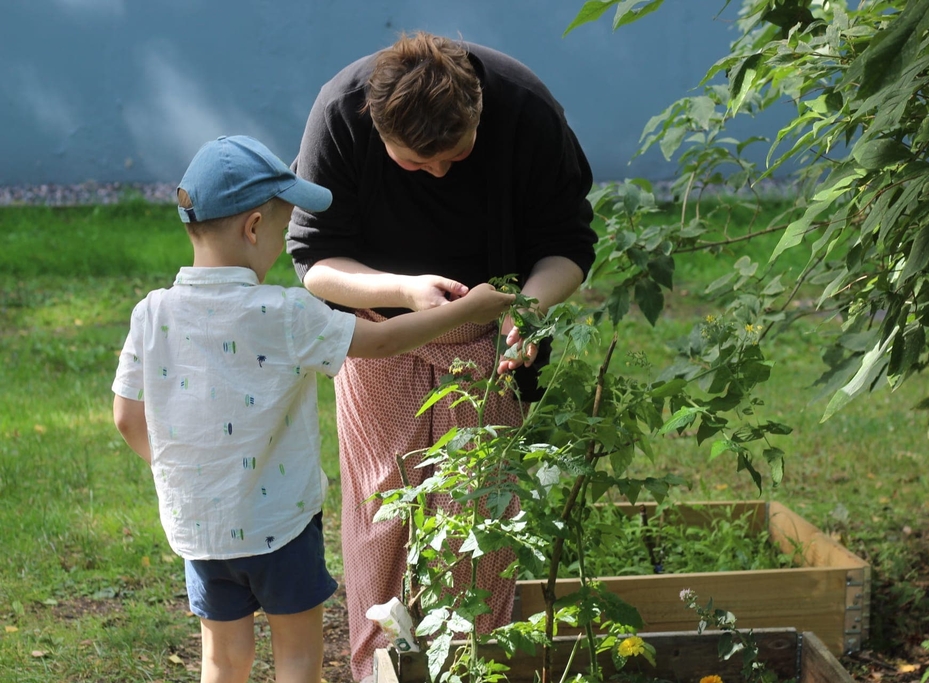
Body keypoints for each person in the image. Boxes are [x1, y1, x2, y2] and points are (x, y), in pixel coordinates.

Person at [110, 135, 514, 683]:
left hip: (200, 527)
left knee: (222, 659)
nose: (282, 244)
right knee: (298, 659)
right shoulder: (285, 312)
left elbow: (126, 418)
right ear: (253, 227)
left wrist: (189, 477)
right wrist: (468, 309)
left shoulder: (150, 312)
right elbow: (384, 343)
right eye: (281, 230)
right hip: (282, 525)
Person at [287, 31, 598, 680]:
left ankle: (473, 665)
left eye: (456, 156)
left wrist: (527, 308)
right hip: (377, 336)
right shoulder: (340, 115)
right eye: (416, 165)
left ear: (478, 112)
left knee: (480, 513)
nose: (439, 174)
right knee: (381, 511)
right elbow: (314, 261)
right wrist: (403, 291)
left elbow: (568, 243)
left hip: (489, 341)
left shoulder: (527, 112)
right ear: (377, 127)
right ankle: (381, 667)